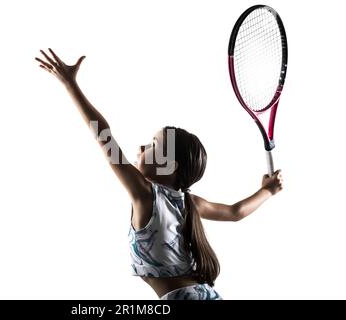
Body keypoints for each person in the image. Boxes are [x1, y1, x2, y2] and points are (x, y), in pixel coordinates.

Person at [35, 49, 284, 300]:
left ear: (171, 166)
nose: (141, 148)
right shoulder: (189, 203)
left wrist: (70, 85)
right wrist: (267, 190)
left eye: (152, 144)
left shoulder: (146, 194)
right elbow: (235, 212)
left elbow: (104, 137)